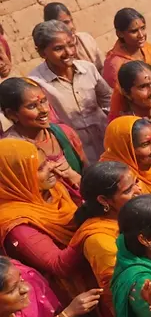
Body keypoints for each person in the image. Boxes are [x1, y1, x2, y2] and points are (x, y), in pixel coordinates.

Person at [0, 139, 85, 284]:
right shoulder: (17, 224)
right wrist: (89, 230)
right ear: (18, 178)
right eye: (40, 168)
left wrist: (75, 181)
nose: (52, 167)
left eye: (47, 161)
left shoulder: (54, 189)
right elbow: (58, 265)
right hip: (75, 290)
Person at [28, 20, 111, 163]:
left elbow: (108, 100)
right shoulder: (36, 83)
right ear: (42, 52)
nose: (69, 52)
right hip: (74, 153)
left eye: (71, 45)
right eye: (58, 48)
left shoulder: (88, 69)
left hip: (107, 142)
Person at [69, 161, 143, 295]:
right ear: (103, 200)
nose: (139, 190)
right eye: (128, 190)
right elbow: (124, 288)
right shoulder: (99, 240)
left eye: (136, 183)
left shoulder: (129, 214)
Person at [0, 77, 86, 188]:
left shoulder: (64, 132)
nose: (44, 110)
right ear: (11, 114)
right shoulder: (10, 151)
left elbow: (85, 170)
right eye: (32, 106)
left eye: (43, 101)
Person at [42, 2, 104, 72]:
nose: (72, 26)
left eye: (71, 21)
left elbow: (102, 67)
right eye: (65, 23)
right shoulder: (55, 53)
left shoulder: (86, 38)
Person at [103, 8, 151, 89]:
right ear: (120, 34)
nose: (141, 35)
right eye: (134, 31)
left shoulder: (149, 48)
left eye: (143, 28)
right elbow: (118, 95)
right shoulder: (115, 65)